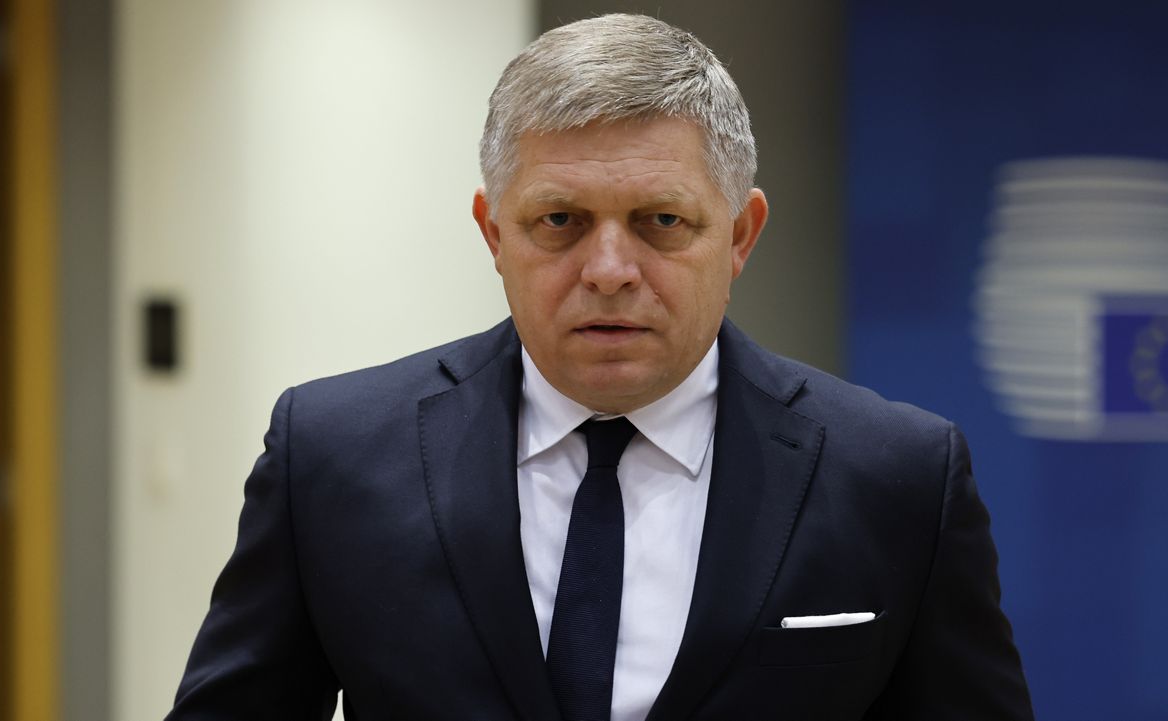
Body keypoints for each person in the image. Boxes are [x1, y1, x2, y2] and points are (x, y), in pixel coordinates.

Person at [167, 13, 1033, 721]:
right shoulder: (332, 454)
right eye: (560, 220)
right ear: (492, 233)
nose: (610, 267)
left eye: (660, 220)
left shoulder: (899, 477)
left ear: (739, 235)